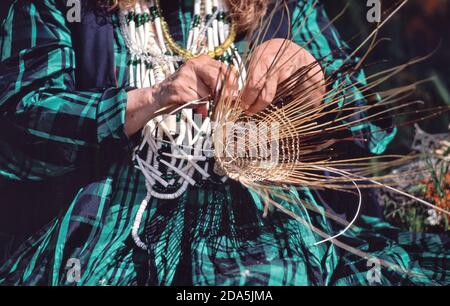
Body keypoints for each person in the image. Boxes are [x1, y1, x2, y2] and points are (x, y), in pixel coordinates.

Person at [0, 0, 447, 285]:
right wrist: (150, 99)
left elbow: (364, 121)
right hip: (110, 226)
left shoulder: (284, 6)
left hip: (263, 224)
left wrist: (312, 78)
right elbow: (21, 120)